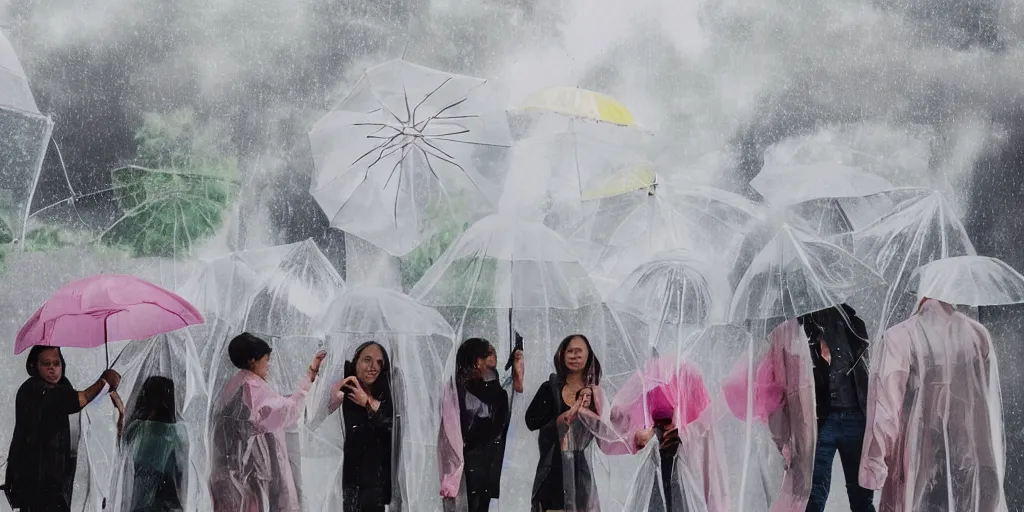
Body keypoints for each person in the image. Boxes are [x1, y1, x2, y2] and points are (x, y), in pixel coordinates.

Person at [859, 298, 1006, 511]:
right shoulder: (978, 335)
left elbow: (885, 411)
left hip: (917, 455)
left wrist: (873, 466)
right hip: (968, 455)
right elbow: (986, 404)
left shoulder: (900, 337)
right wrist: (987, 464)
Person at [209, 333, 325, 512]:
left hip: (232, 476)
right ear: (252, 361)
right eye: (266, 359)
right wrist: (310, 377)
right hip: (253, 477)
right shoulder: (253, 388)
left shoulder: (233, 384)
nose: (268, 365)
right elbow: (289, 411)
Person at [3, 346, 121, 512]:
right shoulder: (34, 389)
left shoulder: (62, 385)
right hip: (34, 481)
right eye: (46, 364)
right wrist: (104, 382)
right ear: (34, 366)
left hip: (55, 479)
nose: (52, 368)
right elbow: (78, 399)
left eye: (56, 363)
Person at [525, 334, 631, 512]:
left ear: (589, 355)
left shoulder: (596, 394)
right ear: (562, 355)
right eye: (570, 351)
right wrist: (559, 421)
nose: (574, 356)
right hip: (553, 468)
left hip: (581, 471)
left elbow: (606, 433)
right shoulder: (549, 388)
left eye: (579, 351)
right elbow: (531, 421)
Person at [799, 304, 874, 512]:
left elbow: (864, 372)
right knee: (814, 497)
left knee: (862, 497)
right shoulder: (803, 326)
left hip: (854, 415)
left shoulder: (853, 323)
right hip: (821, 419)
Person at [439, 336, 525, 512]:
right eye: (491, 354)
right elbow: (490, 423)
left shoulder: (482, 386)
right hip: (470, 467)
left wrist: (516, 378)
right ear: (478, 361)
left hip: (480, 467)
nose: (495, 360)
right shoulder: (466, 390)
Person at [327, 341, 394, 512]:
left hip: (377, 484)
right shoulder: (342, 392)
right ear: (355, 362)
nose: (374, 367)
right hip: (347, 480)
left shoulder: (388, 394)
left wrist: (368, 403)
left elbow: (390, 430)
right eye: (367, 360)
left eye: (379, 362)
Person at [119, 375, 189, 512]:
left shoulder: (135, 429)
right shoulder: (177, 432)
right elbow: (181, 471)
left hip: (139, 501)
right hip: (166, 501)